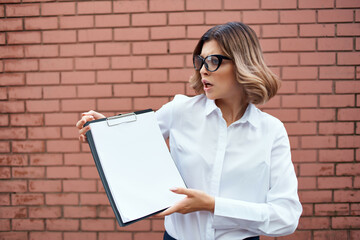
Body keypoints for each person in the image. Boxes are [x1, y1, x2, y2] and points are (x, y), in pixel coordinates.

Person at [76, 22, 302, 240]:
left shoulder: (272, 131)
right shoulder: (179, 111)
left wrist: (212, 205)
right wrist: (103, 130)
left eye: (214, 61)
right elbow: (132, 144)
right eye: (201, 61)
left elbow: (286, 217)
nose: (204, 70)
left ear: (243, 64)